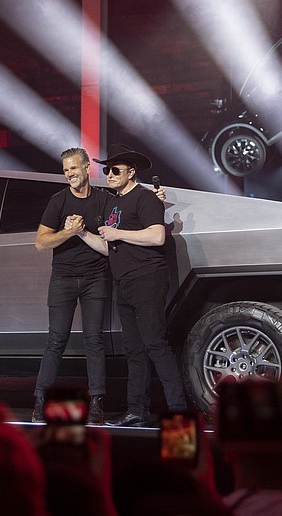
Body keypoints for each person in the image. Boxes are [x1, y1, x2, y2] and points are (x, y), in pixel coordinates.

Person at [90, 145, 188, 427]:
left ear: (131, 172)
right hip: (123, 281)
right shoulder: (112, 203)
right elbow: (110, 246)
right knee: (132, 349)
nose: (108, 174)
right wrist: (83, 233)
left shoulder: (146, 198)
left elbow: (157, 236)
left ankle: (178, 413)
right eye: (106, 169)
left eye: (114, 170)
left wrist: (118, 232)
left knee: (155, 344)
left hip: (147, 279)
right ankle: (137, 411)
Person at [32, 147, 113, 424]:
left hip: (95, 278)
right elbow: (41, 243)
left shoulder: (104, 200)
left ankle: (97, 404)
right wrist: (68, 232)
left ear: (86, 167)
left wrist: (83, 231)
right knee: (56, 340)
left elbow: (109, 247)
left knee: (95, 341)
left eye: (74, 169)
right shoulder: (58, 201)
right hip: (63, 278)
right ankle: (40, 401)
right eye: (66, 170)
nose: (69, 174)